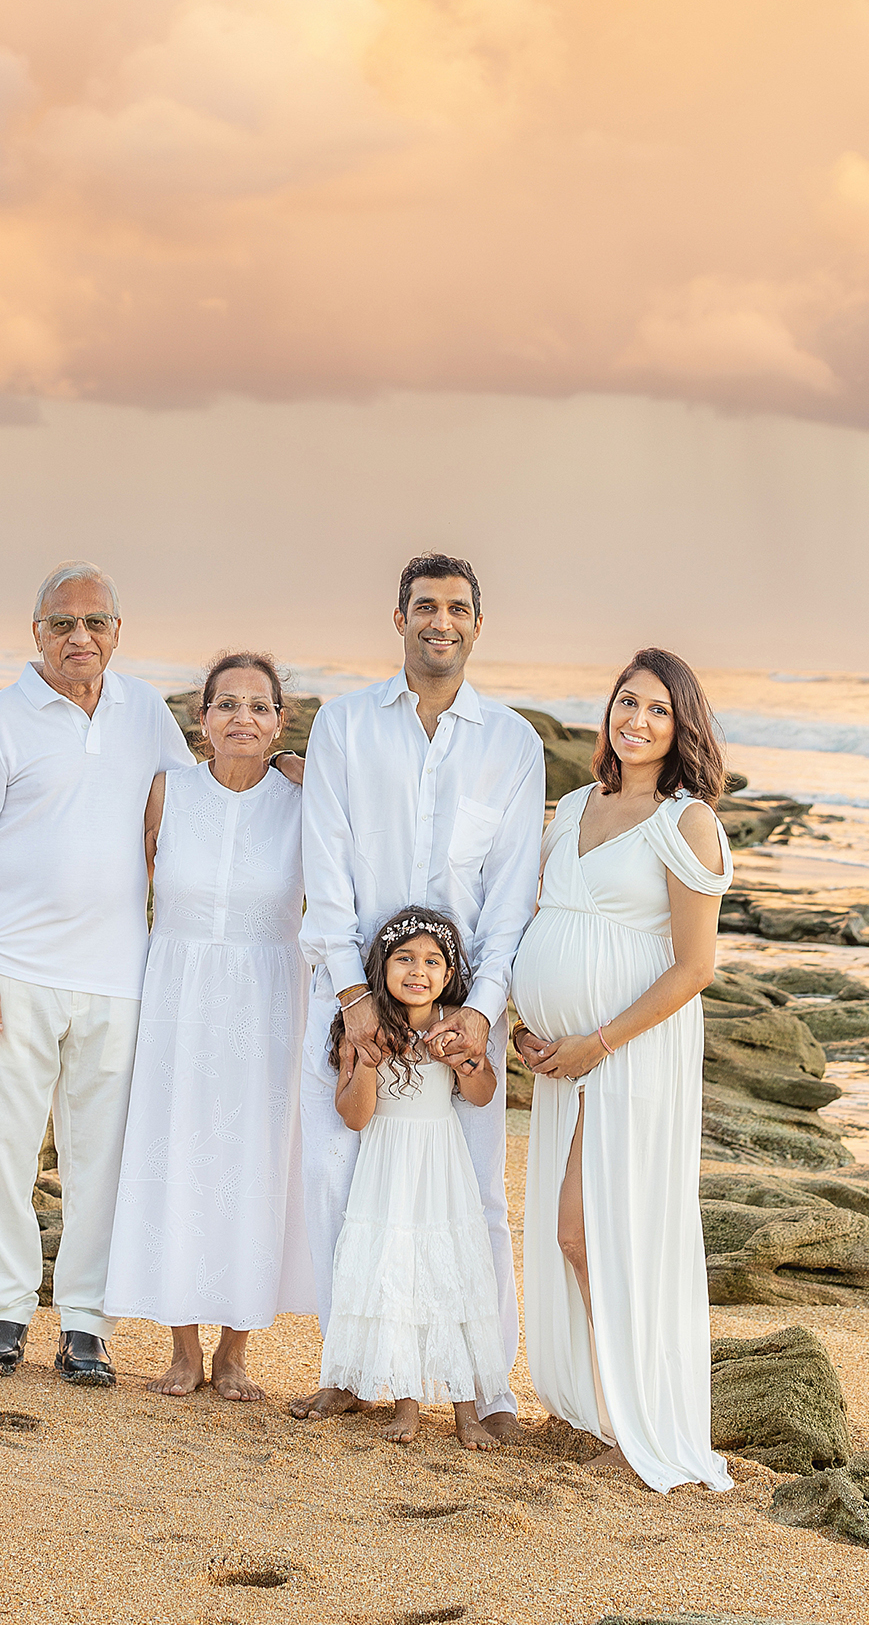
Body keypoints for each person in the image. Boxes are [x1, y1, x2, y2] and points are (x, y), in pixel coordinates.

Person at [292, 553, 544, 1438]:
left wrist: (483, 1012)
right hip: (355, 998)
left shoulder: (512, 744)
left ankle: (492, 1386)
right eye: (426, 606)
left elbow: (512, 898)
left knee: (474, 1199)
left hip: (459, 1018)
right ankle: (352, 1370)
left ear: (479, 626)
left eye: (459, 608)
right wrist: (354, 996)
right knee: (338, 1181)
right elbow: (325, 868)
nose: (442, 620)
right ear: (397, 618)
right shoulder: (345, 726)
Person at [0, 560, 192, 1387]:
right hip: (15, 974)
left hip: (119, 980)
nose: (79, 637)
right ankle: (3, 1315)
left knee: (101, 1164)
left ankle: (86, 1322)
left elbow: (175, 833)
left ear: (118, 631)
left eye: (95, 623)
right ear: (37, 632)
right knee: (4, 1157)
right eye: (63, 623)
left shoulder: (147, 713)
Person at [512, 647, 734, 1493]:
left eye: (657, 710)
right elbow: (542, 919)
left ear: (682, 728)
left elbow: (693, 968)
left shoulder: (687, 823)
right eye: (626, 703)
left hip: (634, 1054)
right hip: (566, 1059)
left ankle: (637, 1412)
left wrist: (595, 1043)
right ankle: (610, 1406)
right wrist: (532, 1028)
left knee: (600, 1231)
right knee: (579, 1232)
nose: (636, 721)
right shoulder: (573, 806)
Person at [105, 650, 313, 1399]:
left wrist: (305, 769)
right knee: (177, 1155)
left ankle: (235, 1351)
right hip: (178, 993)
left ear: (280, 722)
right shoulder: (168, 792)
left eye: (259, 707)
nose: (242, 720)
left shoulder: (304, 802)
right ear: (202, 720)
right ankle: (182, 1348)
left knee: (255, 1162)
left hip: (269, 995)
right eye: (227, 705)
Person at [316, 908, 508, 1448]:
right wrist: (371, 1064)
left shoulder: (456, 1025)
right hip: (386, 1168)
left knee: (451, 1275)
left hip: (440, 1166)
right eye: (404, 959)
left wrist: (469, 1063)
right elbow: (353, 1115)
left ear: (448, 976)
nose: (417, 971)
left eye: (431, 961)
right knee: (397, 1273)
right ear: (383, 968)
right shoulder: (368, 1028)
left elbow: (483, 1095)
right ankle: (406, 1403)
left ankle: (466, 1411)